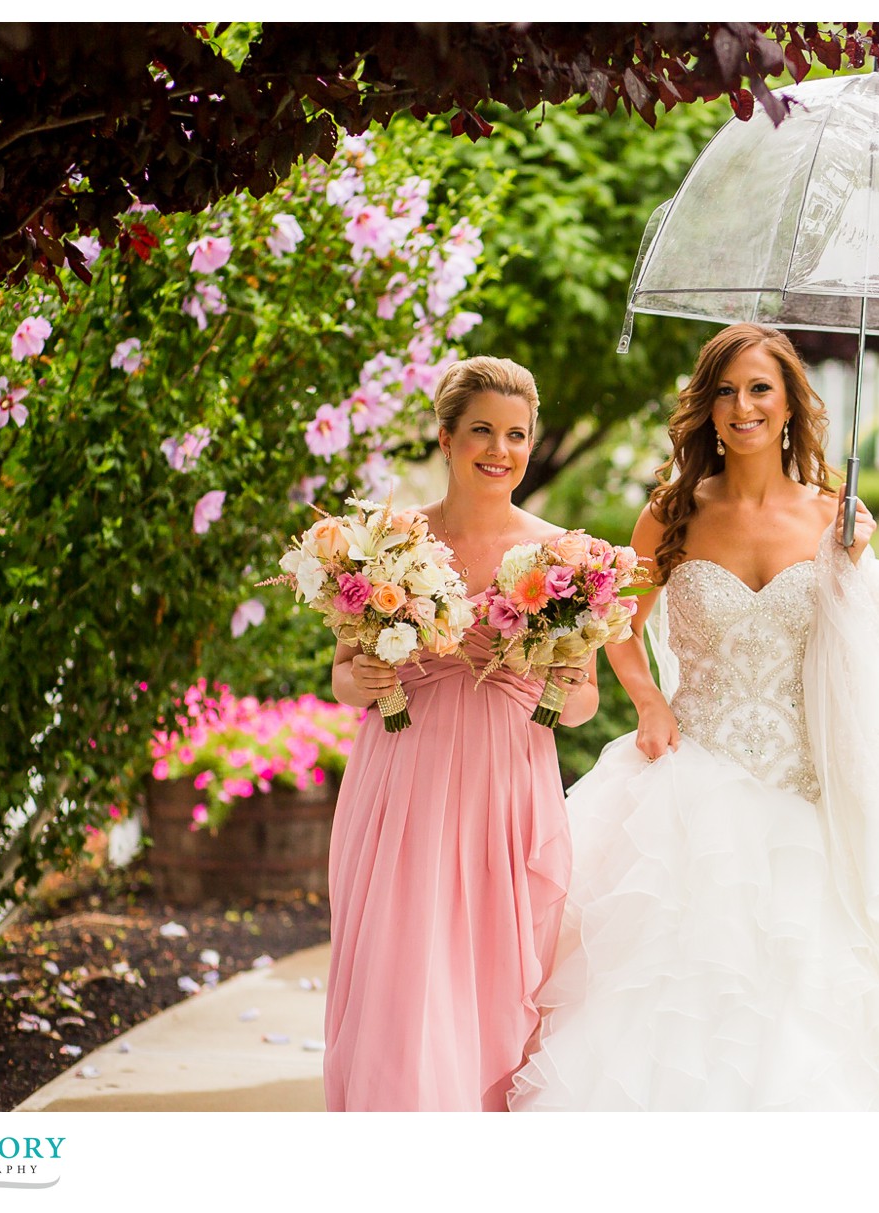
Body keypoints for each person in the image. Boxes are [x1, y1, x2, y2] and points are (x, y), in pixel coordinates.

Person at [509, 323, 879, 1111]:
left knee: (814, 1004)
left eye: (760, 387)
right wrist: (649, 698)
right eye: (725, 390)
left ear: (791, 402)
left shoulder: (837, 515)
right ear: (707, 407)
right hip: (688, 780)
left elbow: (869, 658)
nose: (741, 405)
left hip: (806, 789)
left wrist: (855, 568)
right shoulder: (672, 511)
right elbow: (616, 620)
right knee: (668, 995)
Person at [323, 355, 599, 1111]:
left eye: (516, 434)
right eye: (482, 430)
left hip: (506, 783)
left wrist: (562, 682)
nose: (500, 450)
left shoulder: (564, 556)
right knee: (401, 963)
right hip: (404, 772)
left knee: (496, 971)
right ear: (445, 438)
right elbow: (343, 675)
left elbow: (581, 705)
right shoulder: (389, 545)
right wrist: (367, 681)